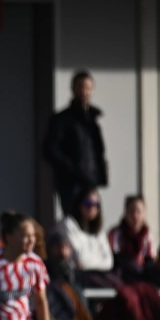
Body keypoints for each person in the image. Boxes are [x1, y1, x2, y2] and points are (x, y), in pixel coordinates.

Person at [42, 70, 108, 215]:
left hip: (90, 182)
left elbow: (98, 151)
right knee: (73, 220)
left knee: (90, 220)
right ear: (73, 89)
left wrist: (100, 174)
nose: (84, 91)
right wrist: (73, 169)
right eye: (81, 87)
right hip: (70, 184)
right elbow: (50, 150)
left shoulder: (92, 121)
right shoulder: (62, 120)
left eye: (88, 88)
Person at [52, 187, 114, 283]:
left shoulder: (99, 231)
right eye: (88, 203)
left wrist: (86, 264)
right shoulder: (68, 224)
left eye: (97, 205)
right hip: (74, 278)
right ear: (79, 204)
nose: (92, 208)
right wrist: (97, 259)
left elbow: (109, 262)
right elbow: (81, 259)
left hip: (98, 277)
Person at [108, 195, 156, 279]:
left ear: (145, 214)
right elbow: (114, 257)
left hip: (142, 274)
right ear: (126, 214)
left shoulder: (148, 236)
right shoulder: (116, 233)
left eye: (138, 211)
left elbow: (151, 259)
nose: (135, 215)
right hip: (121, 273)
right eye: (131, 211)